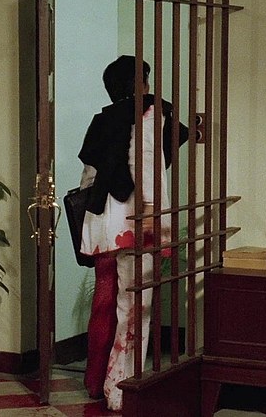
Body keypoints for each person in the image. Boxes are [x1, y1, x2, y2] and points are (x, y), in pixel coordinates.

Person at [77, 55, 188, 410]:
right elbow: (157, 162)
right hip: (142, 220)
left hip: (106, 224)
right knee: (136, 306)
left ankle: (97, 381)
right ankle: (121, 386)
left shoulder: (103, 120)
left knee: (104, 304)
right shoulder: (157, 115)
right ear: (140, 84)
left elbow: (89, 178)